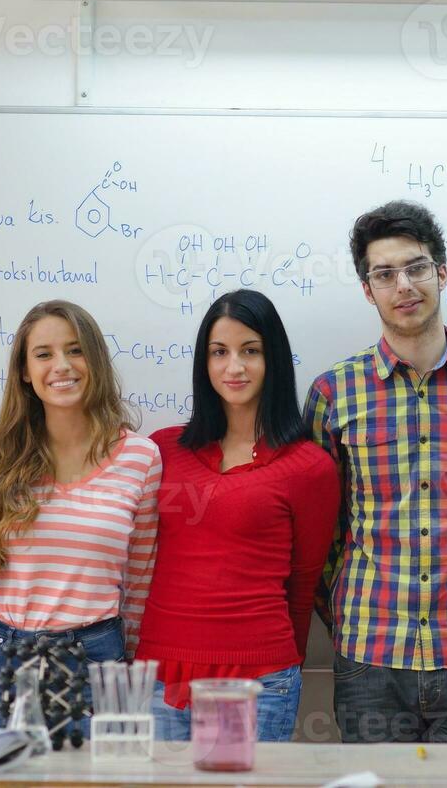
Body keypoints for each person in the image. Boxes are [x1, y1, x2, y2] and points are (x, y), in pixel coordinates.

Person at [305, 200, 447, 744]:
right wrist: (346, 609)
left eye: (415, 267)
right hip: (370, 656)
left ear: (442, 272)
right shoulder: (332, 393)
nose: (403, 285)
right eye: (384, 274)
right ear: (368, 289)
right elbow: (322, 535)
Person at [0, 300, 161, 733]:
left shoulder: (141, 458)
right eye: (44, 354)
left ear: (95, 360)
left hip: (93, 658)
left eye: (75, 350)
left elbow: (139, 584)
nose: (62, 365)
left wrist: (127, 674)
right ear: (25, 371)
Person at [138, 290, 338, 743]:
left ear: (274, 360)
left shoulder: (309, 467)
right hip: (157, 676)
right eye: (219, 352)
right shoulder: (162, 449)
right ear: (203, 363)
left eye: (251, 351)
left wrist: (279, 662)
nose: (234, 367)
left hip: (259, 681)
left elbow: (303, 586)